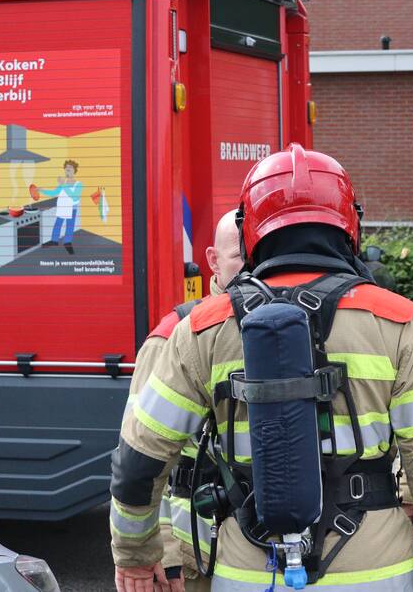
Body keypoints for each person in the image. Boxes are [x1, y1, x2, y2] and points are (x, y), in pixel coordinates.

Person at [110, 145, 413, 592]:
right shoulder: (399, 322)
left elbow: (138, 462)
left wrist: (134, 556)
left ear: (250, 230)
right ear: (350, 223)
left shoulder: (202, 328)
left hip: (248, 574)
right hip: (376, 575)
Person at [124, 210, 242, 592]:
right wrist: (166, 556)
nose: (251, 267)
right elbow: (141, 455)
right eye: (239, 256)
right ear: (212, 260)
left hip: (255, 548)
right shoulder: (175, 336)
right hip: (194, 553)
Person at [39, 159, 83, 254]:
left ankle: (67, 243)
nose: (67, 170)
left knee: (69, 226)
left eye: (70, 168)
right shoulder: (63, 183)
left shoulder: (78, 184)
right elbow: (54, 193)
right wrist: (41, 190)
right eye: (66, 168)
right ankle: (54, 241)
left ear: (74, 170)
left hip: (72, 208)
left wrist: (64, 185)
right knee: (57, 224)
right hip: (62, 207)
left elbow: (74, 197)